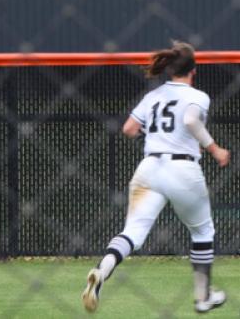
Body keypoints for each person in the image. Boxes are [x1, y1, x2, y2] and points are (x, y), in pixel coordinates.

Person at [82, 41, 230, 313]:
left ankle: (102, 271)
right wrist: (215, 148)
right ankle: (202, 297)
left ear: (169, 68)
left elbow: (129, 128)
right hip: (183, 170)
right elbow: (190, 121)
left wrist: (158, 137)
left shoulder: (153, 96)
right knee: (202, 231)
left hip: (149, 168)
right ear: (192, 71)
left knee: (133, 232)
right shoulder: (198, 96)